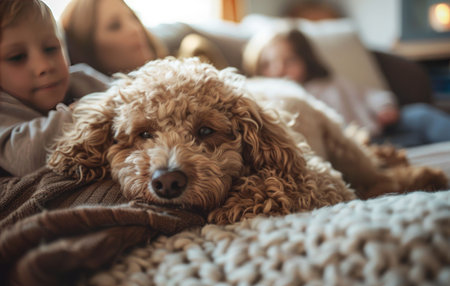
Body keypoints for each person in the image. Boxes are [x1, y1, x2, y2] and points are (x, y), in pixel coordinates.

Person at [242, 26, 450, 147]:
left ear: (306, 60)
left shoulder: (332, 83)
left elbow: (372, 95)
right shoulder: (286, 100)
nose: (279, 70)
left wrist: (384, 108)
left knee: (422, 114)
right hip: (361, 146)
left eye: (289, 61)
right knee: (404, 144)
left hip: (382, 125)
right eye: (267, 64)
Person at [0, 0, 110, 177]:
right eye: (17, 57)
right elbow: (27, 157)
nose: (44, 66)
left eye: (51, 48)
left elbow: (130, 99)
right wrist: (93, 109)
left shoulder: (83, 79)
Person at [60, 0, 228, 76]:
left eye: (133, 17)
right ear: (87, 48)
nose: (135, 29)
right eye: (115, 26)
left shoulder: (179, 43)